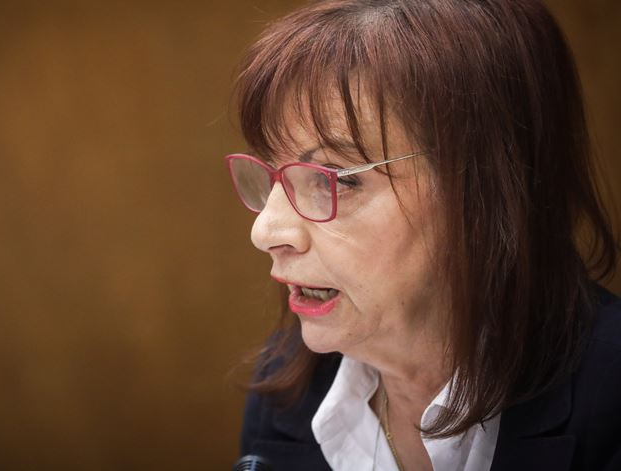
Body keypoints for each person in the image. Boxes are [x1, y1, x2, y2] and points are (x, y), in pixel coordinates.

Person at [224, 1, 621, 470]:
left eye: (334, 178)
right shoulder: (282, 394)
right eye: (272, 175)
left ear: (487, 187)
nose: (266, 231)